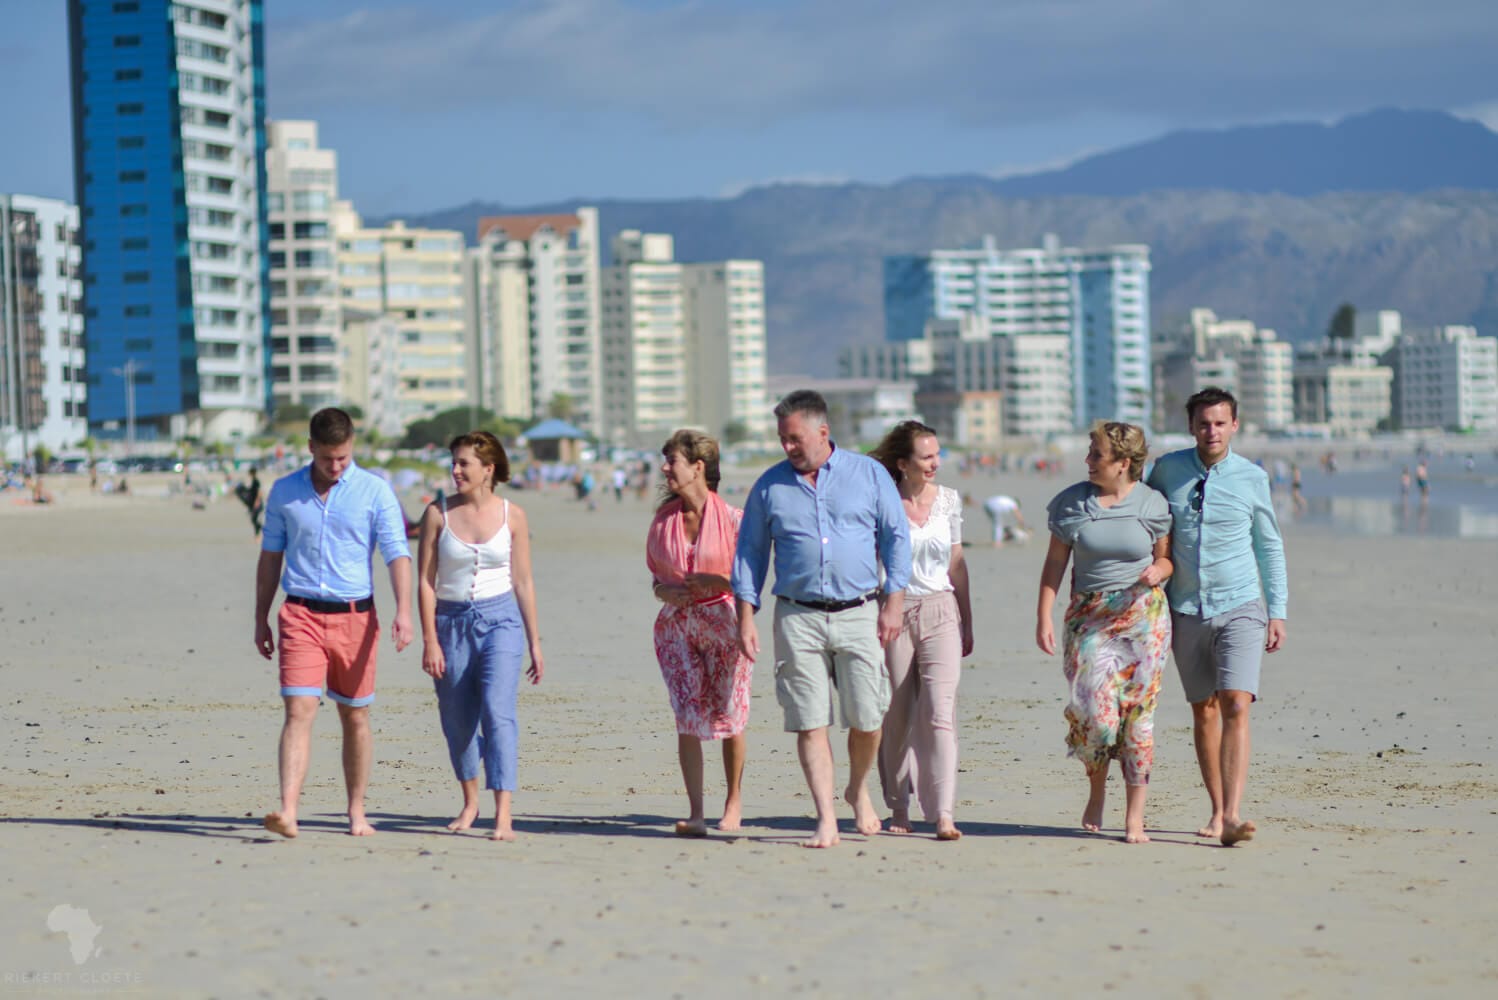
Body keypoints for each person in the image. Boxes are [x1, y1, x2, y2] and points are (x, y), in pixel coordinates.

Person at [732, 390, 911, 848]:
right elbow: (750, 554)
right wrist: (745, 617)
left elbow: (896, 538)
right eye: (782, 439)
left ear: (823, 432)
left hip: (860, 612)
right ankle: (826, 817)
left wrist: (894, 601)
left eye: (794, 438)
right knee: (810, 721)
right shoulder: (770, 486)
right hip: (797, 616)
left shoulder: (868, 474)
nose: (787, 446)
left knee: (868, 718)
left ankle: (858, 789)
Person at [254, 407, 413, 838]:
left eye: (342, 457)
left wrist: (403, 611)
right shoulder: (285, 491)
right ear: (311, 448)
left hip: (355, 618)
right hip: (300, 613)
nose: (336, 466)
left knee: (354, 715)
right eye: (327, 458)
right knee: (298, 709)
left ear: (352, 446)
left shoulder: (375, 491)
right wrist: (260, 617)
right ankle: (288, 811)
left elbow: (397, 552)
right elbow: (270, 557)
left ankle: (356, 811)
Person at [1147, 387, 1287, 847]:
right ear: (1191, 427)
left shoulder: (1252, 477)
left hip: (1241, 604)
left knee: (1236, 703)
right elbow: (1145, 522)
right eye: (1204, 423)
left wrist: (1278, 611)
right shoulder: (1167, 471)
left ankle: (1231, 814)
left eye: (1220, 423)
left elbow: (1269, 545)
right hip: (1185, 608)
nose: (1212, 431)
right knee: (1203, 710)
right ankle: (1215, 807)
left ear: (1234, 426)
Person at [1037, 422, 1172, 844]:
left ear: (1123, 463)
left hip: (1143, 619)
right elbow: (1055, 563)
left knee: (1139, 722)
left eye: (1097, 454)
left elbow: (1167, 559)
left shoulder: (1151, 504)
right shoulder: (1073, 504)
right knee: (1098, 718)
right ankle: (1097, 790)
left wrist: (1158, 571)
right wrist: (1043, 615)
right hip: (1090, 618)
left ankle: (1135, 817)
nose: (1088, 461)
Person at [417, 431, 544, 842]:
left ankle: (503, 813)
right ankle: (470, 801)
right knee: (458, 719)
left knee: (497, 711)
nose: (455, 470)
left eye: (464, 463)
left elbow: (523, 582)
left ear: (488, 469)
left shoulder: (513, 515)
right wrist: (430, 640)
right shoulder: (437, 514)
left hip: (501, 621)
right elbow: (426, 582)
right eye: (453, 462)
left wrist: (535, 642)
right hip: (450, 622)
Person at [869, 421, 973, 841]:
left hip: (941, 610)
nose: (935, 463)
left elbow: (956, 563)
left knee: (939, 712)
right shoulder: (882, 504)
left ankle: (943, 811)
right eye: (926, 457)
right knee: (896, 714)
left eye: (937, 454)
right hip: (892, 613)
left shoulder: (948, 500)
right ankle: (899, 804)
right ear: (902, 463)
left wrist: (967, 619)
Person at [646, 430, 754, 837]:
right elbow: (656, 580)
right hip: (677, 626)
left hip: (725, 623)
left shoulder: (734, 520)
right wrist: (666, 592)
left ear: (697, 467)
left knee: (730, 713)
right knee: (687, 714)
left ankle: (733, 801)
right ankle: (695, 812)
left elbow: (749, 581)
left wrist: (717, 580)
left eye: (671, 460)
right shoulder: (664, 520)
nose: (664, 468)